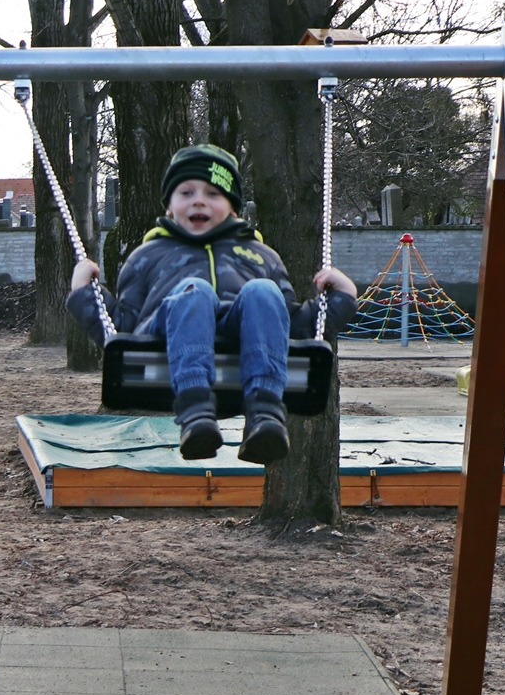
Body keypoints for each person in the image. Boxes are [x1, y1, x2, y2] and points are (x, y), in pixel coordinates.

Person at [67, 143, 358, 464]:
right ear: (169, 207)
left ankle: (265, 416)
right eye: (186, 192)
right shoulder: (146, 256)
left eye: (213, 193)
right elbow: (121, 327)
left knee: (263, 291)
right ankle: (196, 414)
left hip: (245, 346)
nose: (199, 200)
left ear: (233, 209)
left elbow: (292, 325)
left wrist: (343, 298)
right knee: (195, 291)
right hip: (166, 341)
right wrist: (84, 292)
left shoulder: (262, 257)